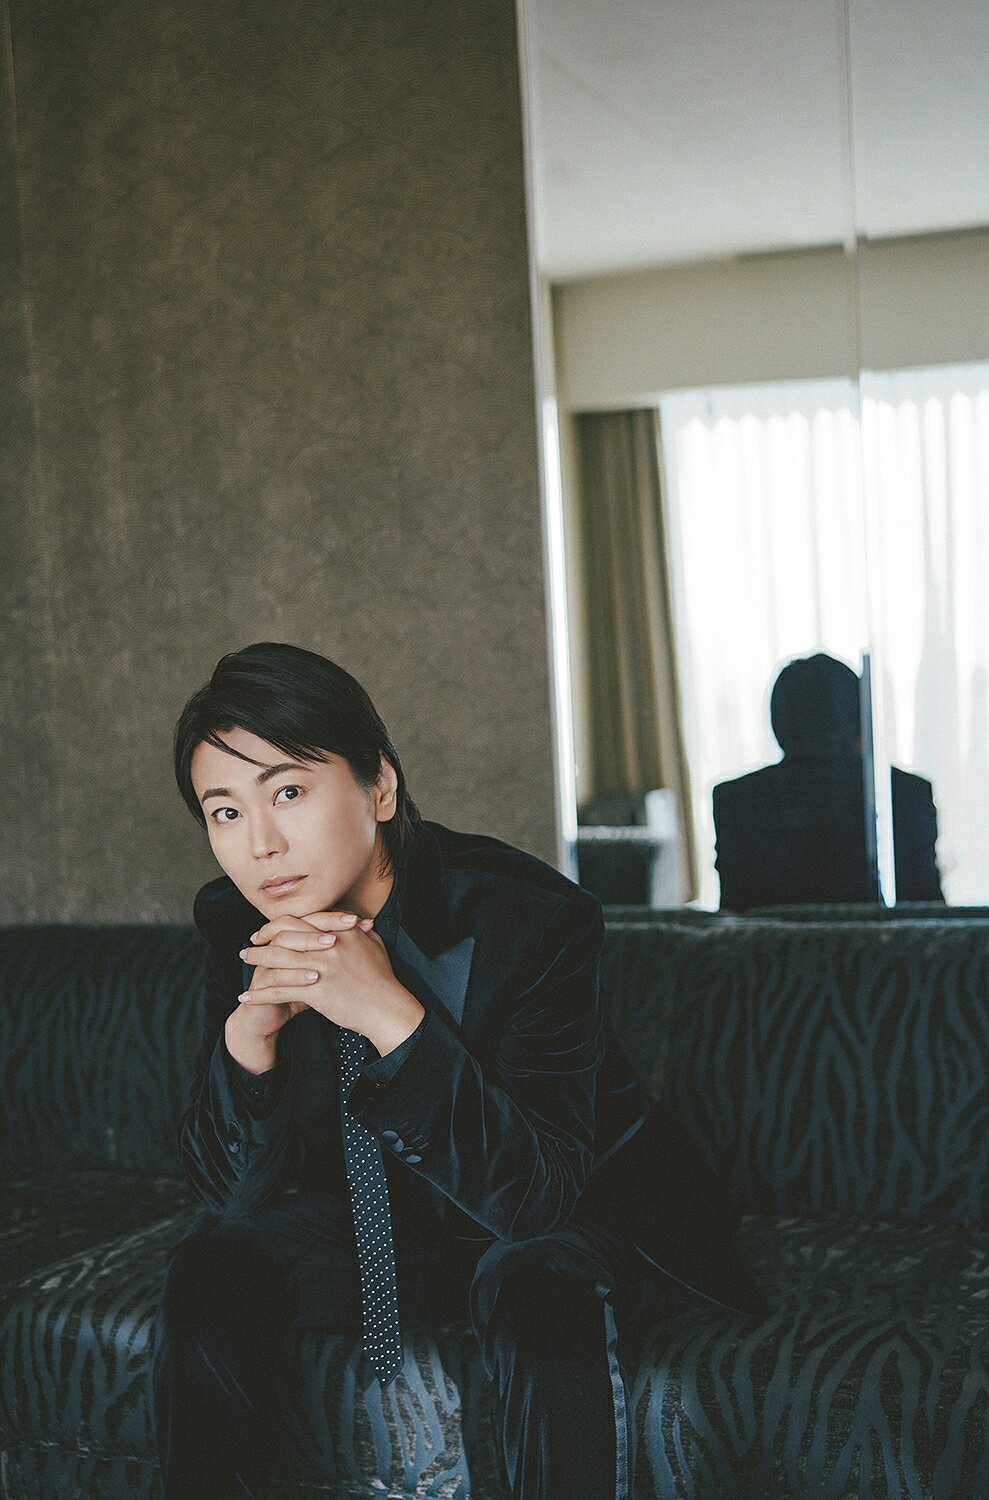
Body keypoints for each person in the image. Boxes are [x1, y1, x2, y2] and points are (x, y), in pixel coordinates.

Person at [153, 641, 765, 1500]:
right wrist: (247, 1046)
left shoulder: (531, 917)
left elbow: (533, 1199)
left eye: (287, 792)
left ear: (379, 786)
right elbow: (229, 1192)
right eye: (224, 812)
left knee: (526, 1274)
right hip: (398, 1225)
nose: (260, 844)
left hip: (576, 1202)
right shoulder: (238, 920)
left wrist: (389, 1016)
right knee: (215, 1256)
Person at [713, 652, 944, 911]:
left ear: (779, 719)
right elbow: (931, 916)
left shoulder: (737, 799)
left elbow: (736, 919)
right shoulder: (906, 792)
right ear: (858, 715)